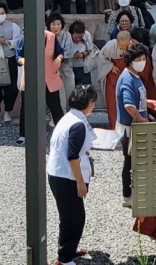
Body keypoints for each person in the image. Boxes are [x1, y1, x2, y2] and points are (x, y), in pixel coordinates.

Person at [47, 85, 97, 265]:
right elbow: (73, 157)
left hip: (58, 172)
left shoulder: (70, 117)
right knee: (73, 218)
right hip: (66, 176)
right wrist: (80, 182)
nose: (94, 105)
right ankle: (63, 258)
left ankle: (68, 249)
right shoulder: (78, 124)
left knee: (70, 216)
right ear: (87, 103)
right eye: (93, 102)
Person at [116, 44, 156, 208]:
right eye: (138, 59)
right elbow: (128, 104)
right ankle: (127, 196)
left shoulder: (134, 75)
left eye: (144, 59)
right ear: (130, 61)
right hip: (130, 128)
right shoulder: (127, 78)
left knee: (136, 160)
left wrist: (146, 102)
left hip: (136, 125)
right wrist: (141, 119)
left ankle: (136, 192)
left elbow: (135, 98)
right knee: (130, 161)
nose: (142, 62)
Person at [17, 27, 66, 145]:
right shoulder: (26, 38)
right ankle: (23, 134)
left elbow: (60, 52)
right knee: (26, 107)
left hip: (49, 77)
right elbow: (18, 55)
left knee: (56, 107)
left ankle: (63, 135)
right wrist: (22, 61)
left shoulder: (51, 37)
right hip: (31, 77)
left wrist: (59, 58)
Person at [68, 21, 93, 88]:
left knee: (85, 88)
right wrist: (72, 55)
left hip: (84, 67)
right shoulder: (66, 38)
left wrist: (83, 54)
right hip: (70, 67)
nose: (78, 39)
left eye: (80, 37)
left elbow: (90, 49)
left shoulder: (87, 35)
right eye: (76, 37)